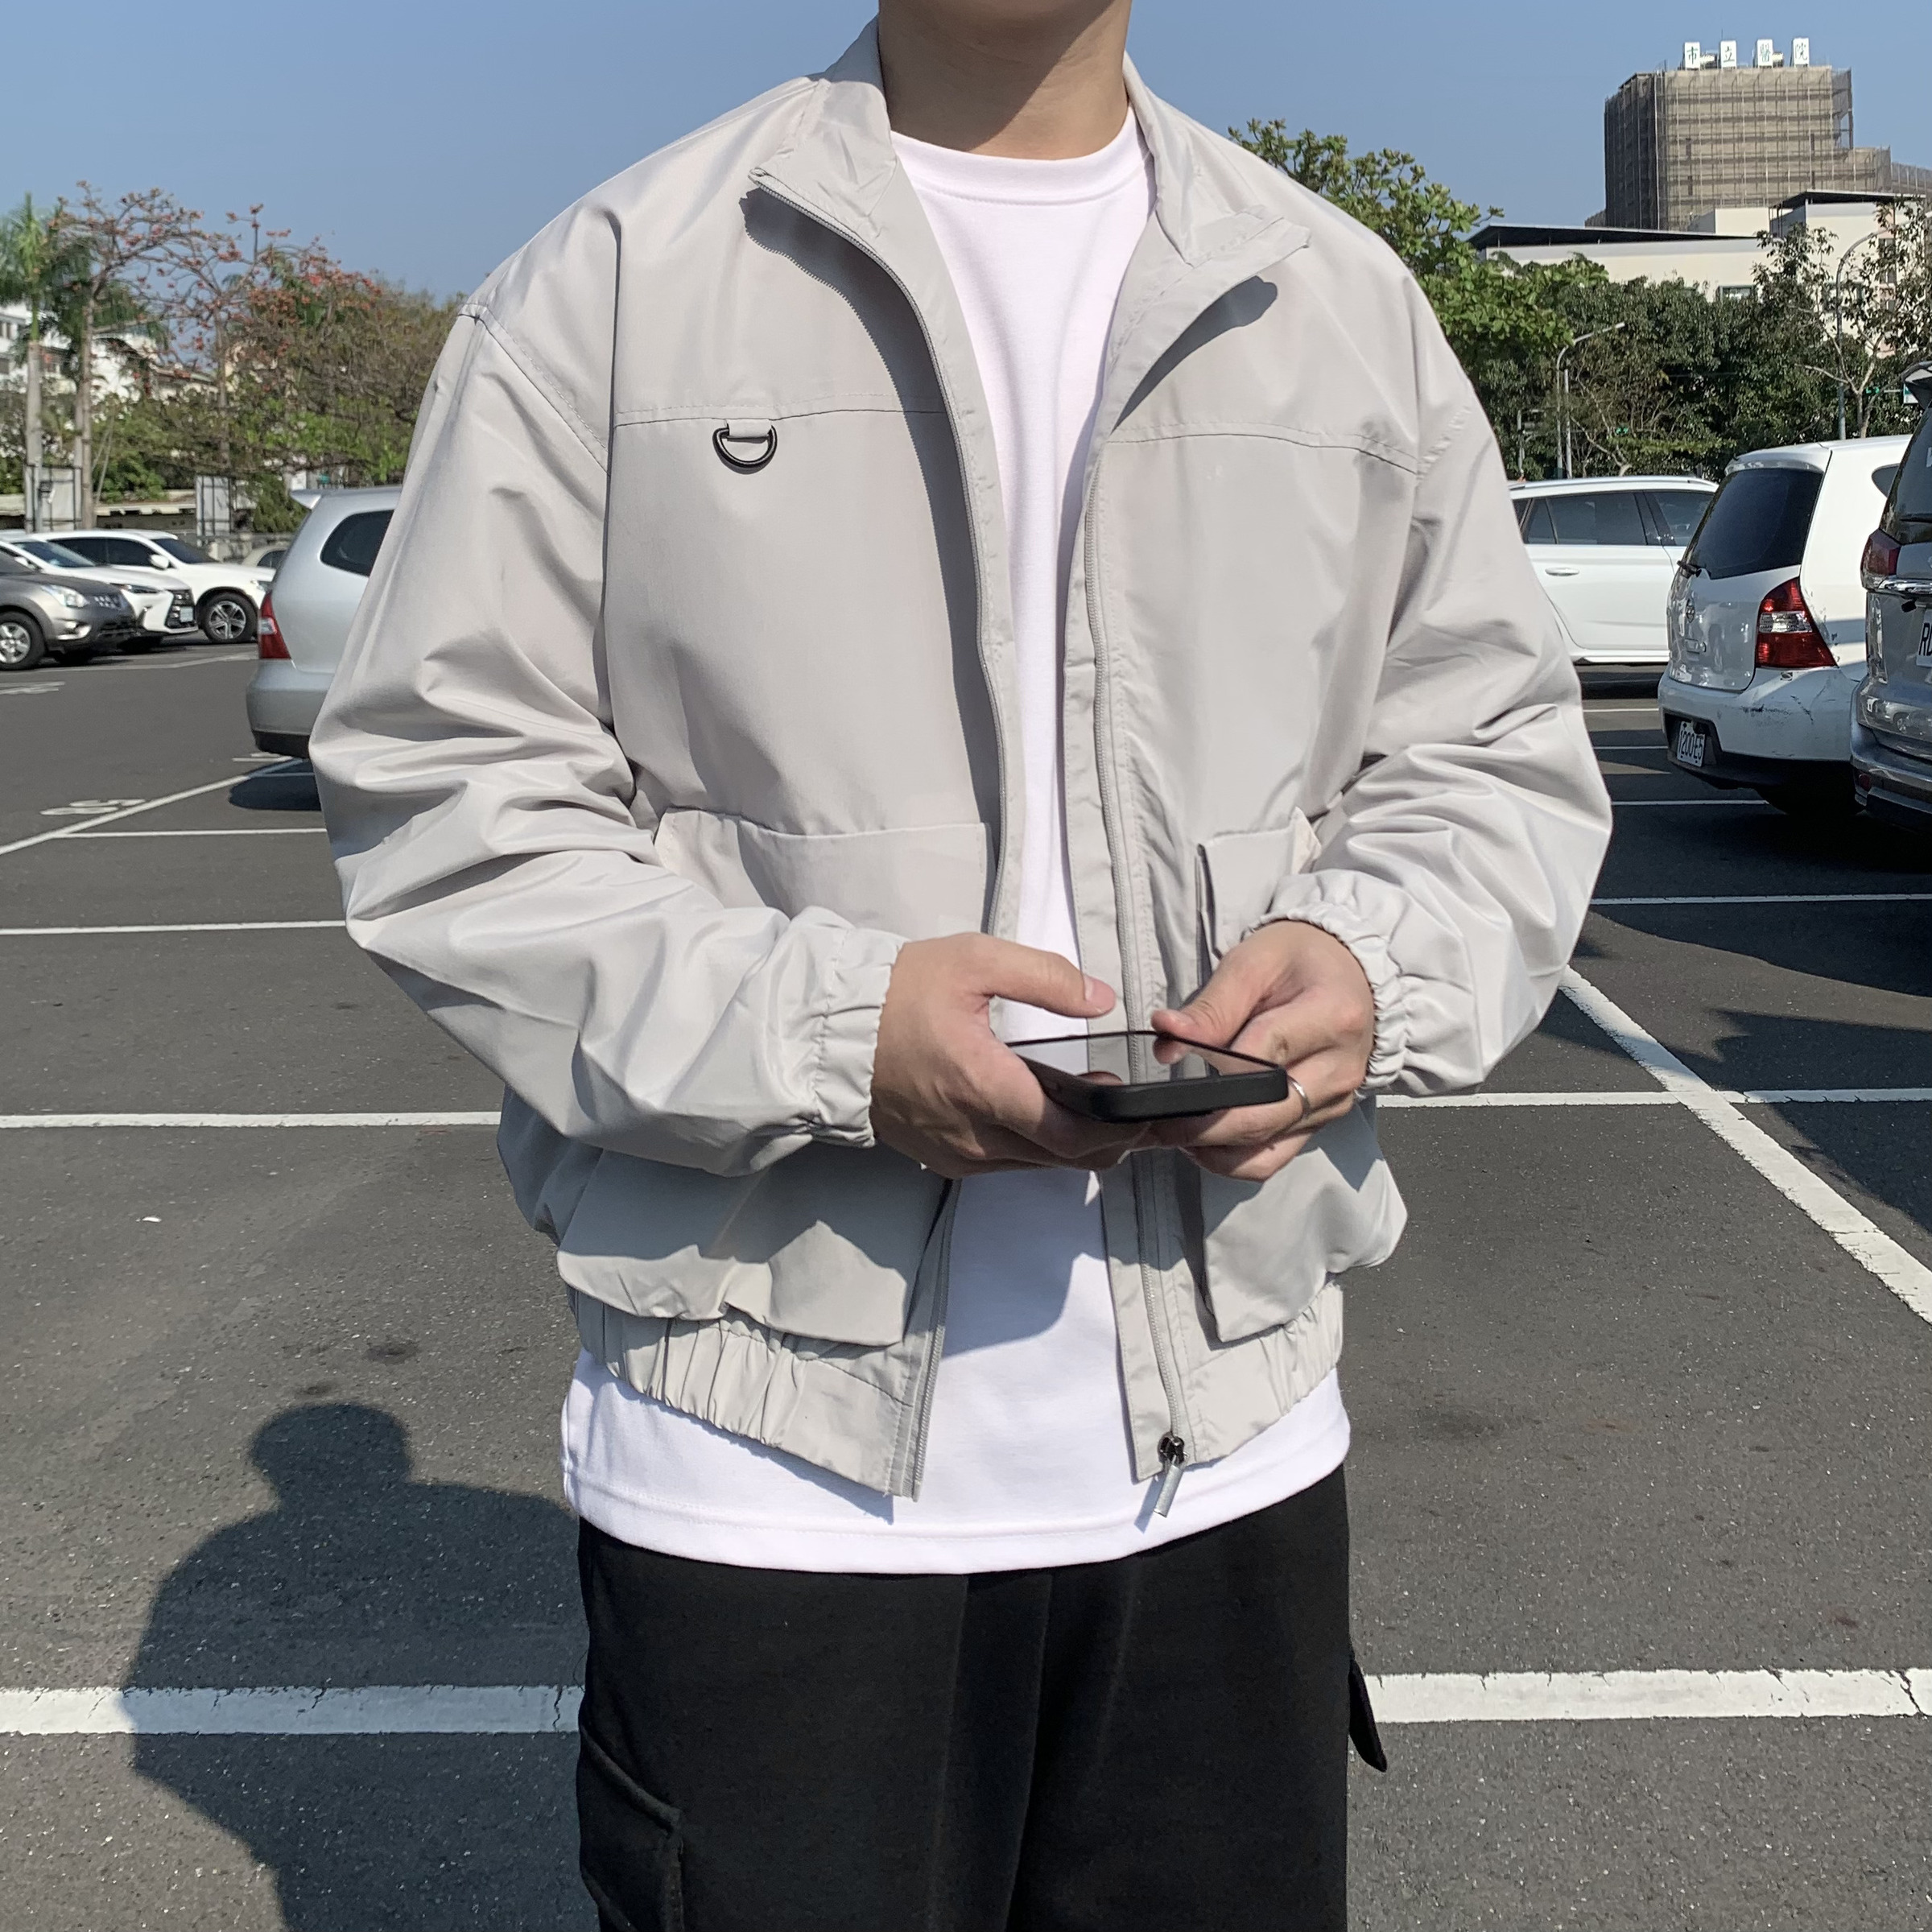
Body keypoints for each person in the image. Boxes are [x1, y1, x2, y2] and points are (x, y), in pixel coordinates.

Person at [312, 2, 1612, 1925]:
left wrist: (1371, 961)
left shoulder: (1332, 296)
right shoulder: (612, 285)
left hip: (1230, 1449)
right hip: (765, 1468)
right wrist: (834, 1035)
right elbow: (449, 796)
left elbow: (1489, 755)